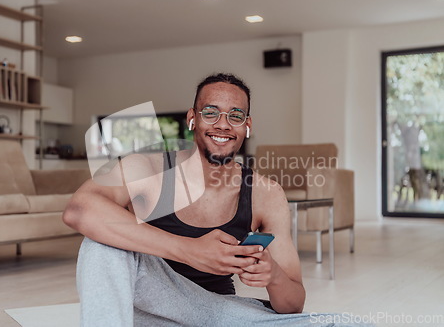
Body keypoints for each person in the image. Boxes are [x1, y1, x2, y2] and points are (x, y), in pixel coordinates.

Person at [63, 73, 360, 326]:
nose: (223, 124)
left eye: (235, 115)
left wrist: (274, 276)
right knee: (102, 242)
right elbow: (80, 209)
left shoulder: (265, 193)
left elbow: (293, 305)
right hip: (147, 309)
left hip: (215, 311)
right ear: (193, 119)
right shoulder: (148, 166)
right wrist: (190, 250)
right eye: (211, 112)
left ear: (247, 125)